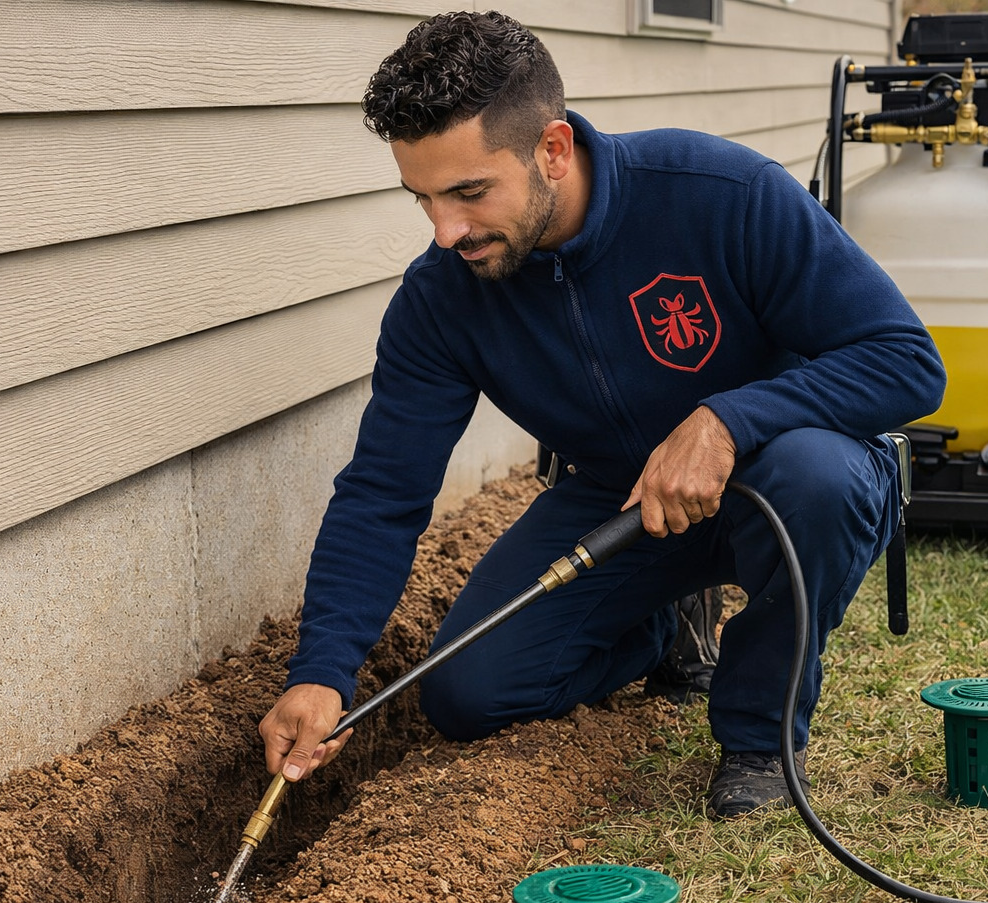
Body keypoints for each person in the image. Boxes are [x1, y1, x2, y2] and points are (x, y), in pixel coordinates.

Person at [259, 11, 944, 817]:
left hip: (783, 479)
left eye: (469, 193)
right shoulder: (441, 300)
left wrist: (727, 421)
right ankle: (662, 628)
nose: (446, 232)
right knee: (469, 694)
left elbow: (906, 360)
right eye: (424, 199)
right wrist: (321, 671)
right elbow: (383, 491)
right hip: (622, 504)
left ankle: (760, 738)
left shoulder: (722, 194)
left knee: (817, 477)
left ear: (552, 149)